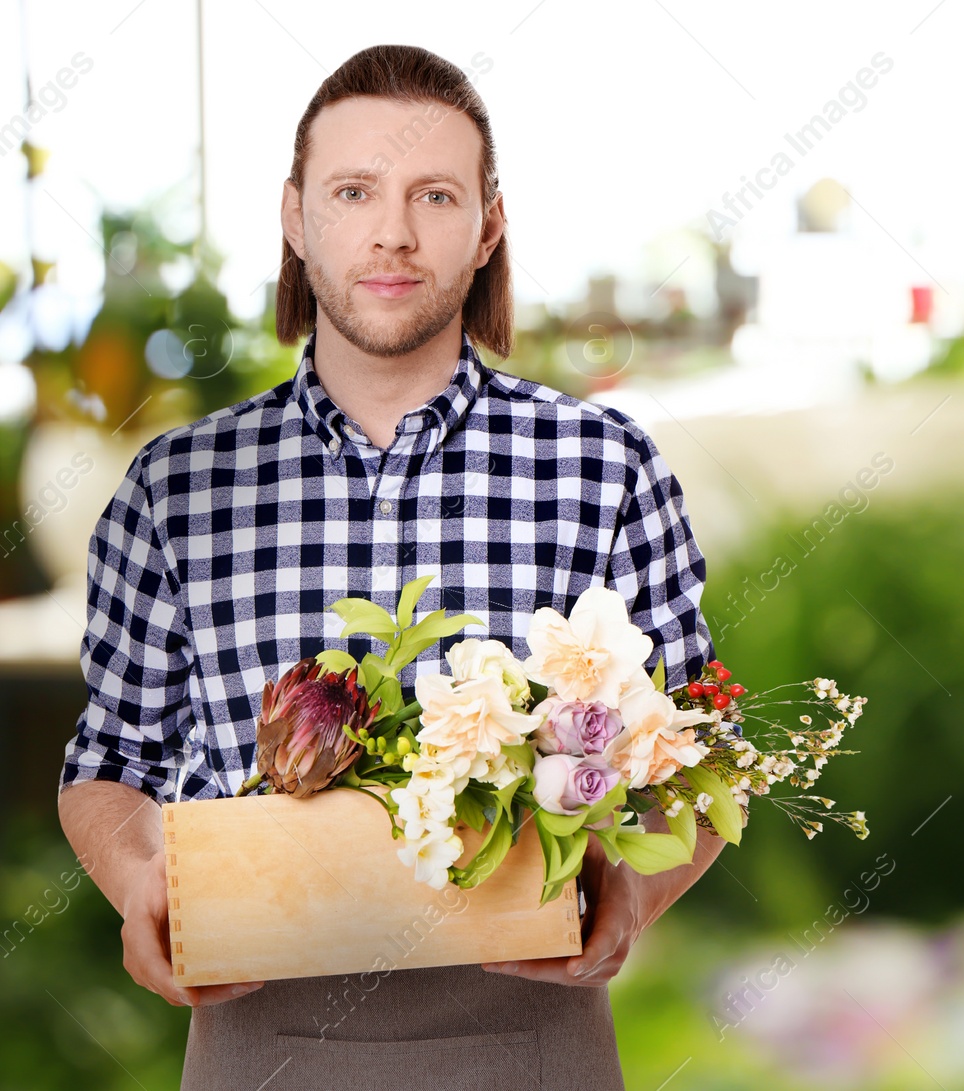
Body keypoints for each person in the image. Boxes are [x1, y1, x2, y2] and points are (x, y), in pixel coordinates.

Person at [56, 44, 721, 1090]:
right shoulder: (175, 486)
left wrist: (636, 891)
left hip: (534, 1039)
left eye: (435, 194)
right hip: (253, 1046)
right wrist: (138, 877)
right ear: (294, 213)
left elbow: (694, 752)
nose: (393, 232)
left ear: (487, 221)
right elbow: (112, 755)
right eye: (353, 190)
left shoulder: (605, 467)